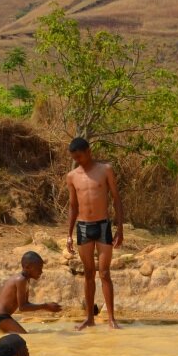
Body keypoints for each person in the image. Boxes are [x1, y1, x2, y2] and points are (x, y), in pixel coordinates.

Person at [66, 137, 124, 330]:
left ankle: (111, 319)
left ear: (88, 151)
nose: (78, 160)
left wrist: (119, 228)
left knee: (105, 273)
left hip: (102, 226)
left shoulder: (105, 170)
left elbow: (116, 199)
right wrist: (68, 234)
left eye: (80, 156)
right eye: (75, 158)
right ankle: (89, 318)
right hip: (82, 227)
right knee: (89, 273)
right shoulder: (72, 176)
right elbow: (73, 206)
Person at [0, 251, 61, 334]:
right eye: (39, 268)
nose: (41, 271)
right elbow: (22, 307)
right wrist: (45, 306)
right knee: (25, 337)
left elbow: (26, 303)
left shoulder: (26, 280)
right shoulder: (21, 280)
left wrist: (46, 307)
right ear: (27, 267)